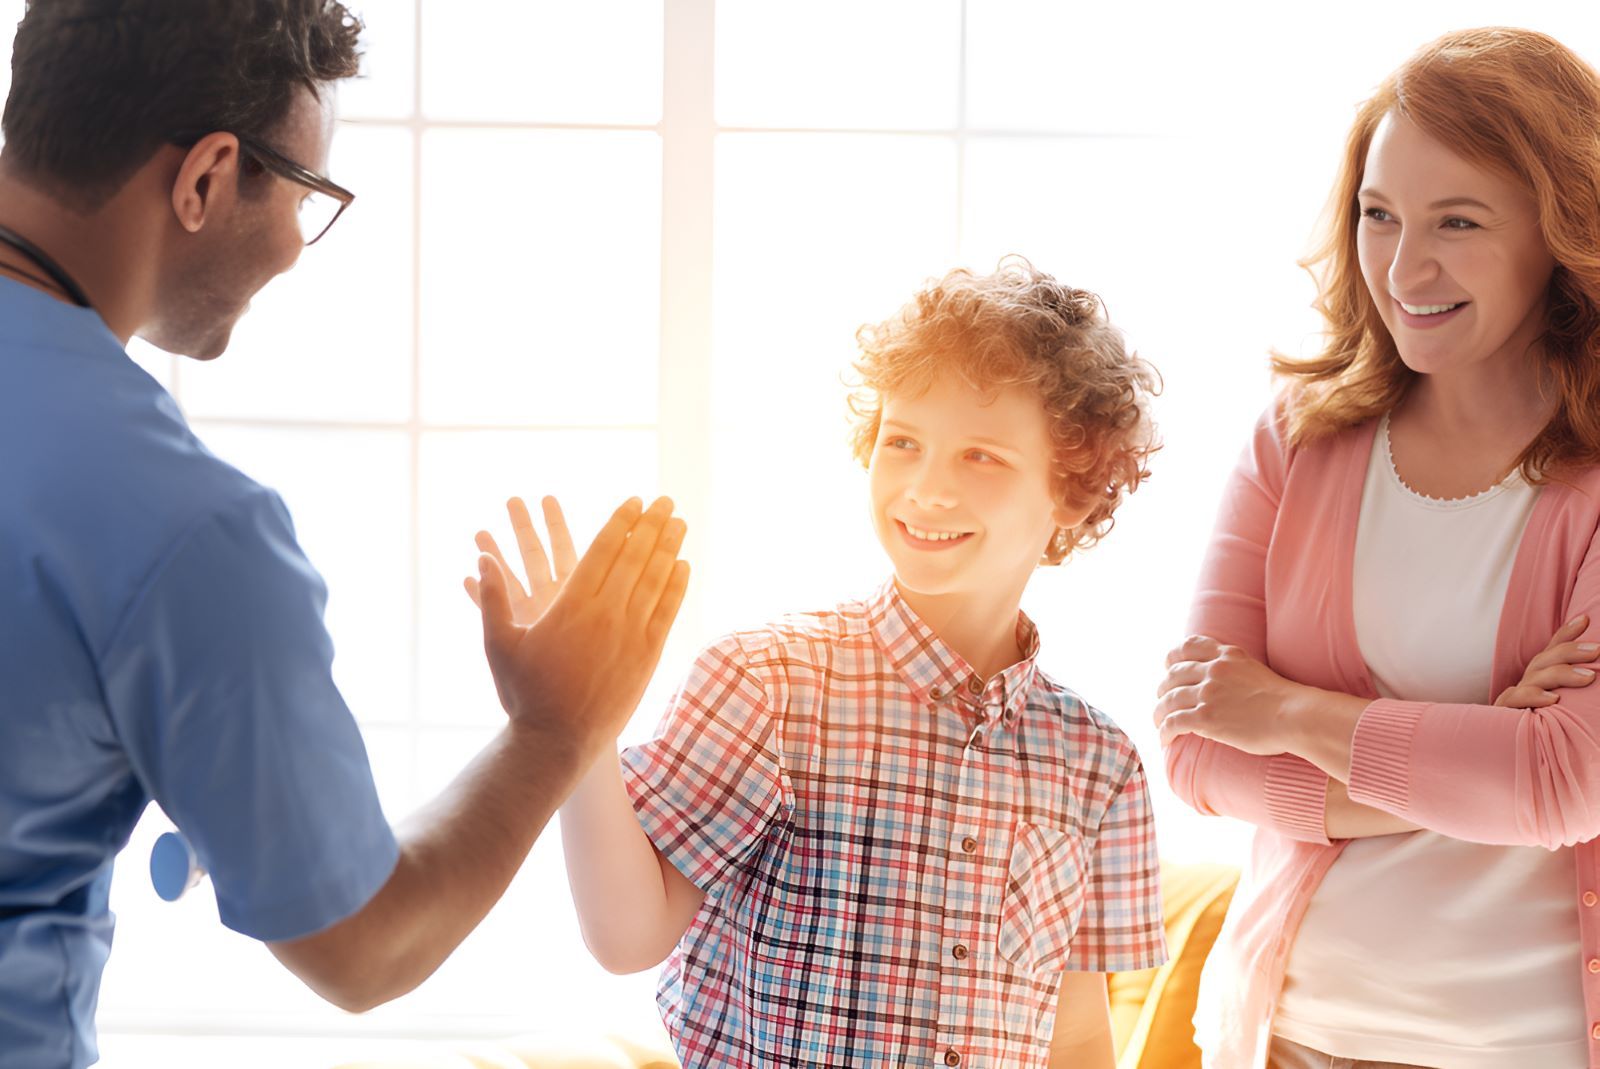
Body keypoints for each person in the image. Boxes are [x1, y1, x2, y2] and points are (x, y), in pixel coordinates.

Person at [0, 3, 688, 1067]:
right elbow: (362, 947)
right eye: (308, 196)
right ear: (207, 178)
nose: (293, 247)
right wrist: (554, 728)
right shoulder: (187, 530)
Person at [474, 258, 1168, 1067]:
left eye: (981, 456)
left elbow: (1078, 1035)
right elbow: (626, 935)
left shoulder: (1100, 764)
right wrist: (577, 719)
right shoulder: (766, 681)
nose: (926, 487)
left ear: (1072, 490)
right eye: (902, 442)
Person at [1154, 27, 1600, 1069]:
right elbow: (1195, 749)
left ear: (1561, 230)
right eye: (1378, 215)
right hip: (1289, 1037)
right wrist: (1476, 745)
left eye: (1458, 220)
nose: (1405, 266)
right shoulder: (1296, 438)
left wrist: (1287, 713)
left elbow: (1563, 784)